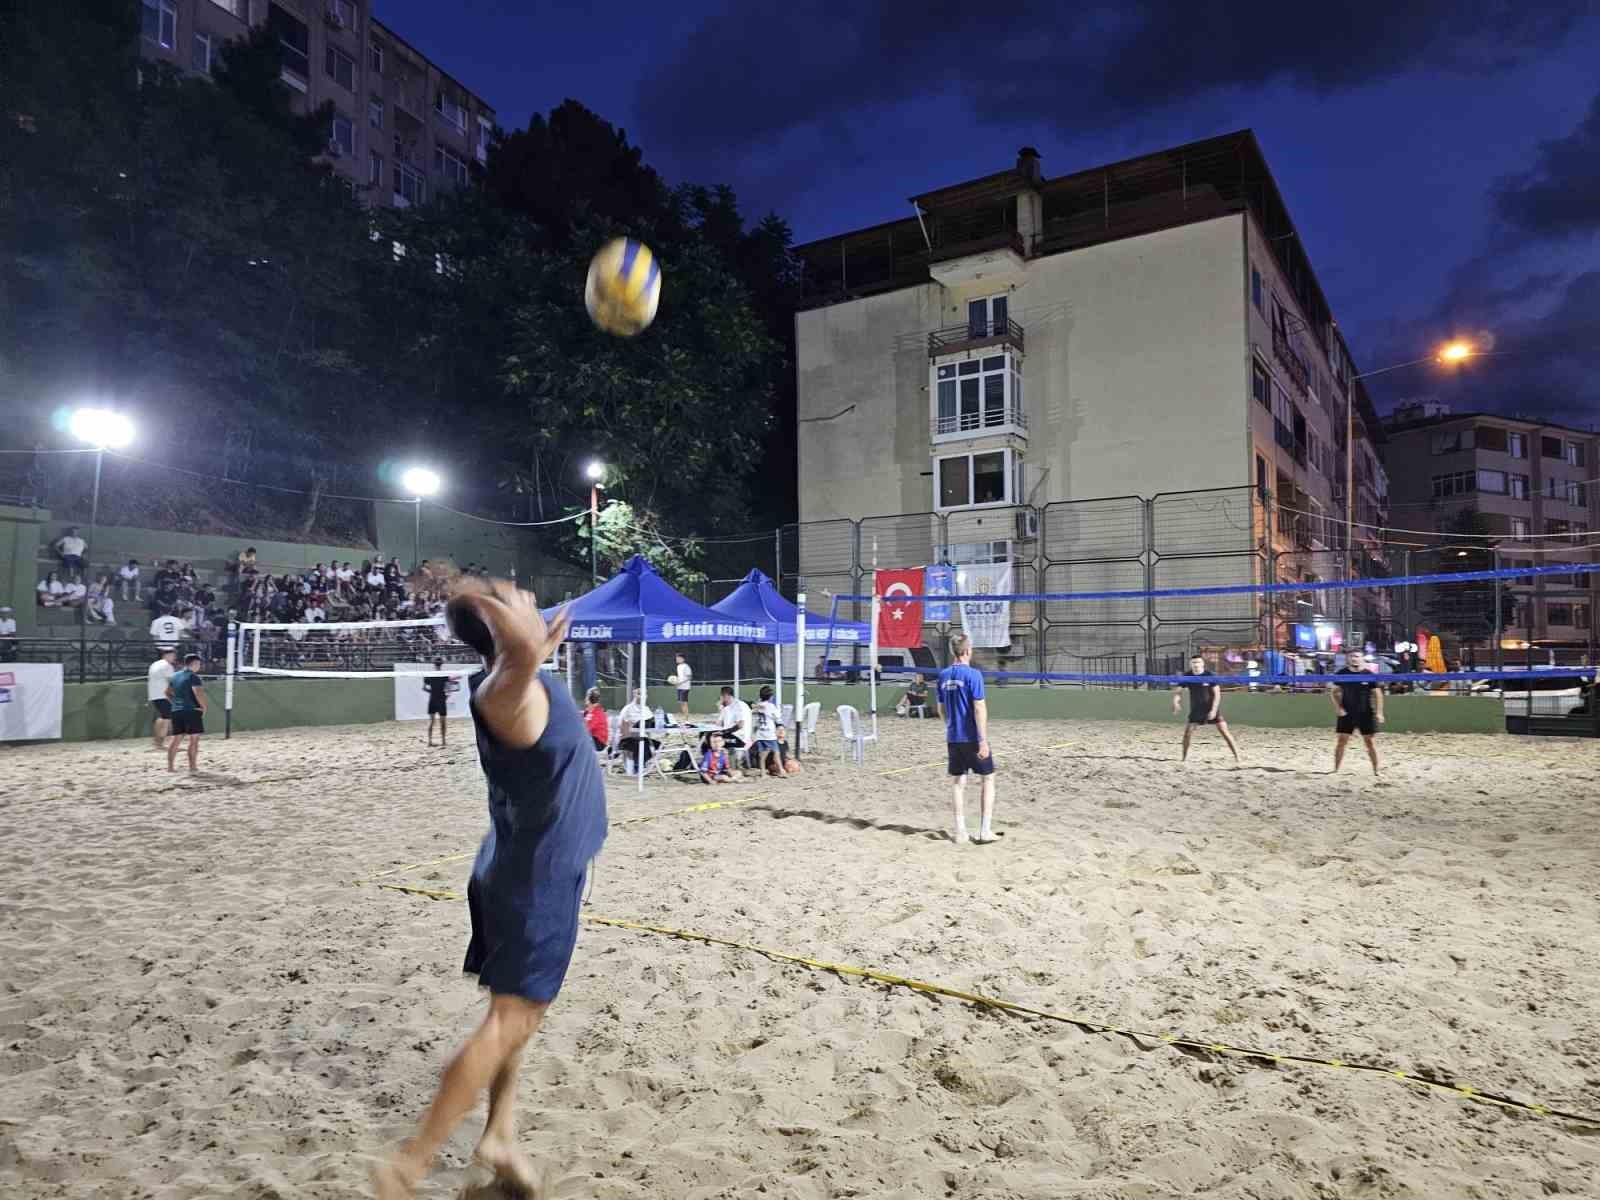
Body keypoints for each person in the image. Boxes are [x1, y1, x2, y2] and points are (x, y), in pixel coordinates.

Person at [371, 578, 605, 1200]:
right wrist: (525, 650)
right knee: (508, 1020)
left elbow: (520, 666)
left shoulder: (514, 679)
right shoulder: (503, 693)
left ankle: (500, 1134)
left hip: (519, 864)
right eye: (511, 595)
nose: (525, 593)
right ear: (502, 626)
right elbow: (514, 676)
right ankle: (408, 1167)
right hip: (536, 879)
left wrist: (532, 649)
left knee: (518, 1014)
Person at [939, 633, 996, 845]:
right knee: (988, 778)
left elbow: (941, 708)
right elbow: (979, 707)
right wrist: (982, 740)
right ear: (968, 650)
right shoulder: (973, 675)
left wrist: (950, 726)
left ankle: (961, 832)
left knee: (957, 782)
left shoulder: (944, 675)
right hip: (972, 736)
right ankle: (984, 831)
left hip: (953, 737)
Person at [1172, 654, 1240, 764]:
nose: (1196, 665)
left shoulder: (1209, 675)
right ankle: (1184, 759)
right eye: (1194, 663)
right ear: (1191, 664)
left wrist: (1213, 710)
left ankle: (1237, 757)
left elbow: (1217, 694)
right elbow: (1178, 691)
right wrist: (1176, 702)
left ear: (1202, 664)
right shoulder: (1188, 676)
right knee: (1187, 734)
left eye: (1198, 662)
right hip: (1196, 710)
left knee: (1224, 731)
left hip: (1211, 708)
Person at [1330, 648, 1384, 777]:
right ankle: (1335, 770)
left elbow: (1378, 694)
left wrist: (1379, 712)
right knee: (1341, 741)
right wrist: (1338, 708)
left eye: (1357, 656)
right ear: (1348, 658)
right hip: (1347, 714)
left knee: (1369, 742)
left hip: (1365, 713)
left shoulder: (1368, 674)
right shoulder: (1342, 673)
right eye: (1352, 656)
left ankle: (1376, 771)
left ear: (1362, 658)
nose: (1355, 658)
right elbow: (1334, 692)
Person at [165, 653, 207, 772]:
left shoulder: (174, 676)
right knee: (194, 740)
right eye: (198, 664)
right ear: (194, 664)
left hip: (176, 711)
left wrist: (175, 703)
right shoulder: (193, 676)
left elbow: (167, 693)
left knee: (176, 739)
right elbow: (198, 693)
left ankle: (170, 767)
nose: (199, 666)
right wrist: (204, 707)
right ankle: (192, 767)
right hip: (191, 711)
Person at [617, 688, 657, 772]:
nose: (643, 696)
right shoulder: (628, 709)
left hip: (641, 737)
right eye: (639, 694)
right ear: (634, 695)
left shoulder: (646, 709)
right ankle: (637, 766)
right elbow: (621, 727)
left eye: (645, 694)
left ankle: (640, 764)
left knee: (657, 745)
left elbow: (650, 726)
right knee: (641, 744)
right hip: (627, 739)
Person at [749, 685, 785, 777]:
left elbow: (753, 711)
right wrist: (780, 725)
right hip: (769, 734)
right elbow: (778, 717)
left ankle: (763, 773)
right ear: (770, 697)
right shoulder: (771, 706)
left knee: (762, 755)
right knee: (776, 753)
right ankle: (781, 770)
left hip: (760, 734)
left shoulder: (758, 705)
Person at [147, 648, 177, 749]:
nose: (174, 658)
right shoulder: (167, 666)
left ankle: (157, 742)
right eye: (173, 655)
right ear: (166, 655)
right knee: (166, 718)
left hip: (154, 694)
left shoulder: (154, 664)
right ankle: (160, 742)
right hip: (163, 695)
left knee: (162, 717)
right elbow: (171, 682)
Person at [422, 659, 453, 748]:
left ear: (433, 664)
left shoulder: (429, 675)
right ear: (441, 665)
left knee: (431, 722)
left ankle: (429, 741)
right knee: (443, 721)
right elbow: (448, 688)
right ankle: (443, 741)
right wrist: (445, 696)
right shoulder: (444, 675)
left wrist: (432, 691)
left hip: (432, 699)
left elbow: (424, 688)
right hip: (441, 699)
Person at [669, 653, 692, 722]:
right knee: (681, 703)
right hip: (679, 687)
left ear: (682, 659)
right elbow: (680, 677)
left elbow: (689, 677)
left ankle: (687, 719)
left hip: (685, 687)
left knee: (684, 703)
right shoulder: (678, 666)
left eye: (678, 658)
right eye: (676, 658)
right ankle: (684, 718)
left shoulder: (686, 666)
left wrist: (680, 683)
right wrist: (675, 682)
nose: (676, 659)